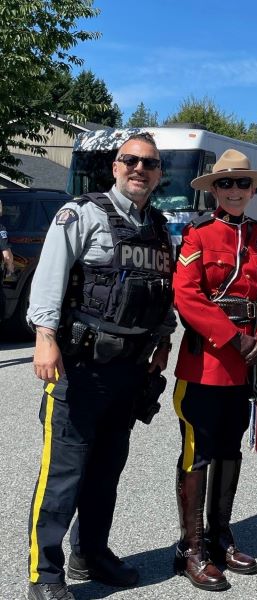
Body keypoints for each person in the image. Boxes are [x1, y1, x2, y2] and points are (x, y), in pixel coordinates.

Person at [26, 132, 175, 600]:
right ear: (115, 166)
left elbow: (161, 290)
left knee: (106, 471)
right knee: (63, 474)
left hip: (130, 371)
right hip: (80, 368)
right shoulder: (82, 214)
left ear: (158, 174)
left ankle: (90, 554)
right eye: (130, 160)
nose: (139, 169)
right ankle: (44, 574)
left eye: (149, 164)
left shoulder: (159, 227)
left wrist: (163, 341)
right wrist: (45, 338)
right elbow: (49, 277)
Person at [171, 149, 257, 591]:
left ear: (253, 190)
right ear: (214, 190)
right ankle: (192, 548)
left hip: (248, 363)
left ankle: (220, 536)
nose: (234, 190)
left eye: (242, 183)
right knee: (198, 452)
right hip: (207, 361)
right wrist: (233, 338)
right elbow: (187, 295)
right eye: (225, 183)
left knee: (229, 450)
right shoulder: (198, 234)